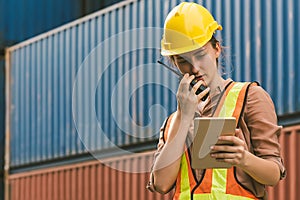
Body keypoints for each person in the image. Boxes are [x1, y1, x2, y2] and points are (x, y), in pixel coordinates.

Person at [147, 2, 286, 199]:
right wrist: (184, 117)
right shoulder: (172, 121)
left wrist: (243, 158)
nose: (194, 68)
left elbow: (273, 175)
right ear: (173, 62)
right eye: (183, 60)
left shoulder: (250, 97)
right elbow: (161, 184)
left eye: (200, 55)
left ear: (217, 49)